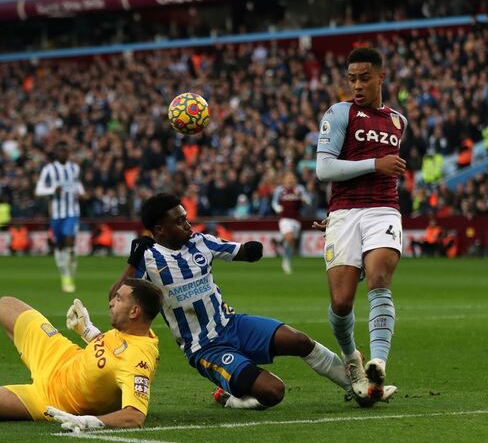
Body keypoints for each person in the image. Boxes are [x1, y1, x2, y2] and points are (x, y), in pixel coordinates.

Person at [110, 193, 396, 410]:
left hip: (232, 324)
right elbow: (115, 299)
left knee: (299, 341)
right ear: (159, 230)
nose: (187, 224)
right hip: (205, 347)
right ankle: (231, 397)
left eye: (186, 217)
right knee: (273, 392)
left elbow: (241, 251)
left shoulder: (200, 242)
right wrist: (132, 262)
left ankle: (358, 385)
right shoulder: (147, 259)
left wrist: (252, 250)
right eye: (179, 220)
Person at [0, 278, 164, 432]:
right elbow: (110, 356)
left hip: (48, 399)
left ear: (134, 312)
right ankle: (27, 347)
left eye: (118, 299)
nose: (111, 302)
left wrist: (89, 422)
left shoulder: (138, 359)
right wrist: (87, 331)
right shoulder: (132, 332)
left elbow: (134, 416)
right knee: (5, 304)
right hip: (60, 356)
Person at [314, 47, 407, 402]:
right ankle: (353, 358)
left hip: (384, 209)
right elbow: (324, 169)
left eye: (364, 78)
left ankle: (378, 364)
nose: (357, 85)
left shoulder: (398, 121)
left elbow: (388, 170)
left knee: (380, 278)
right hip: (344, 213)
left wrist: (381, 168)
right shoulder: (339, 113)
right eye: (351, 78)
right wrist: (375, 164)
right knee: (341, 302)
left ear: (381, 77)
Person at [35, 141, 85, 293]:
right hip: (57, 214)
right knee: (59, 245)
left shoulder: (74, 168)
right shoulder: (49, 169)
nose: (63, 153)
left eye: (65, 150)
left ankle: (69, 275)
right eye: (60, 151)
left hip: (72, 212)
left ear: (68, 152)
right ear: (56, 153)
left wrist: (82, 193)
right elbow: (38, 190)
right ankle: (65, 273)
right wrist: (52, 190)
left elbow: (77, 184)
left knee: (69, 238)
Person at [271, 172, 311, 274]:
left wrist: (302, 197)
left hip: (296, 219)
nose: (290, 180)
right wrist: (277, 208)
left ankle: (285, 258)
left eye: (292, 178)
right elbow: (274, 202)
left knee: (290, 241)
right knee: (289, 238)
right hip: (284, 218)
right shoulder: (280, 190)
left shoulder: (300, 189)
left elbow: (308, 201)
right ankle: (285, 249)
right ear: (284, 180)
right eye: (288, 178)